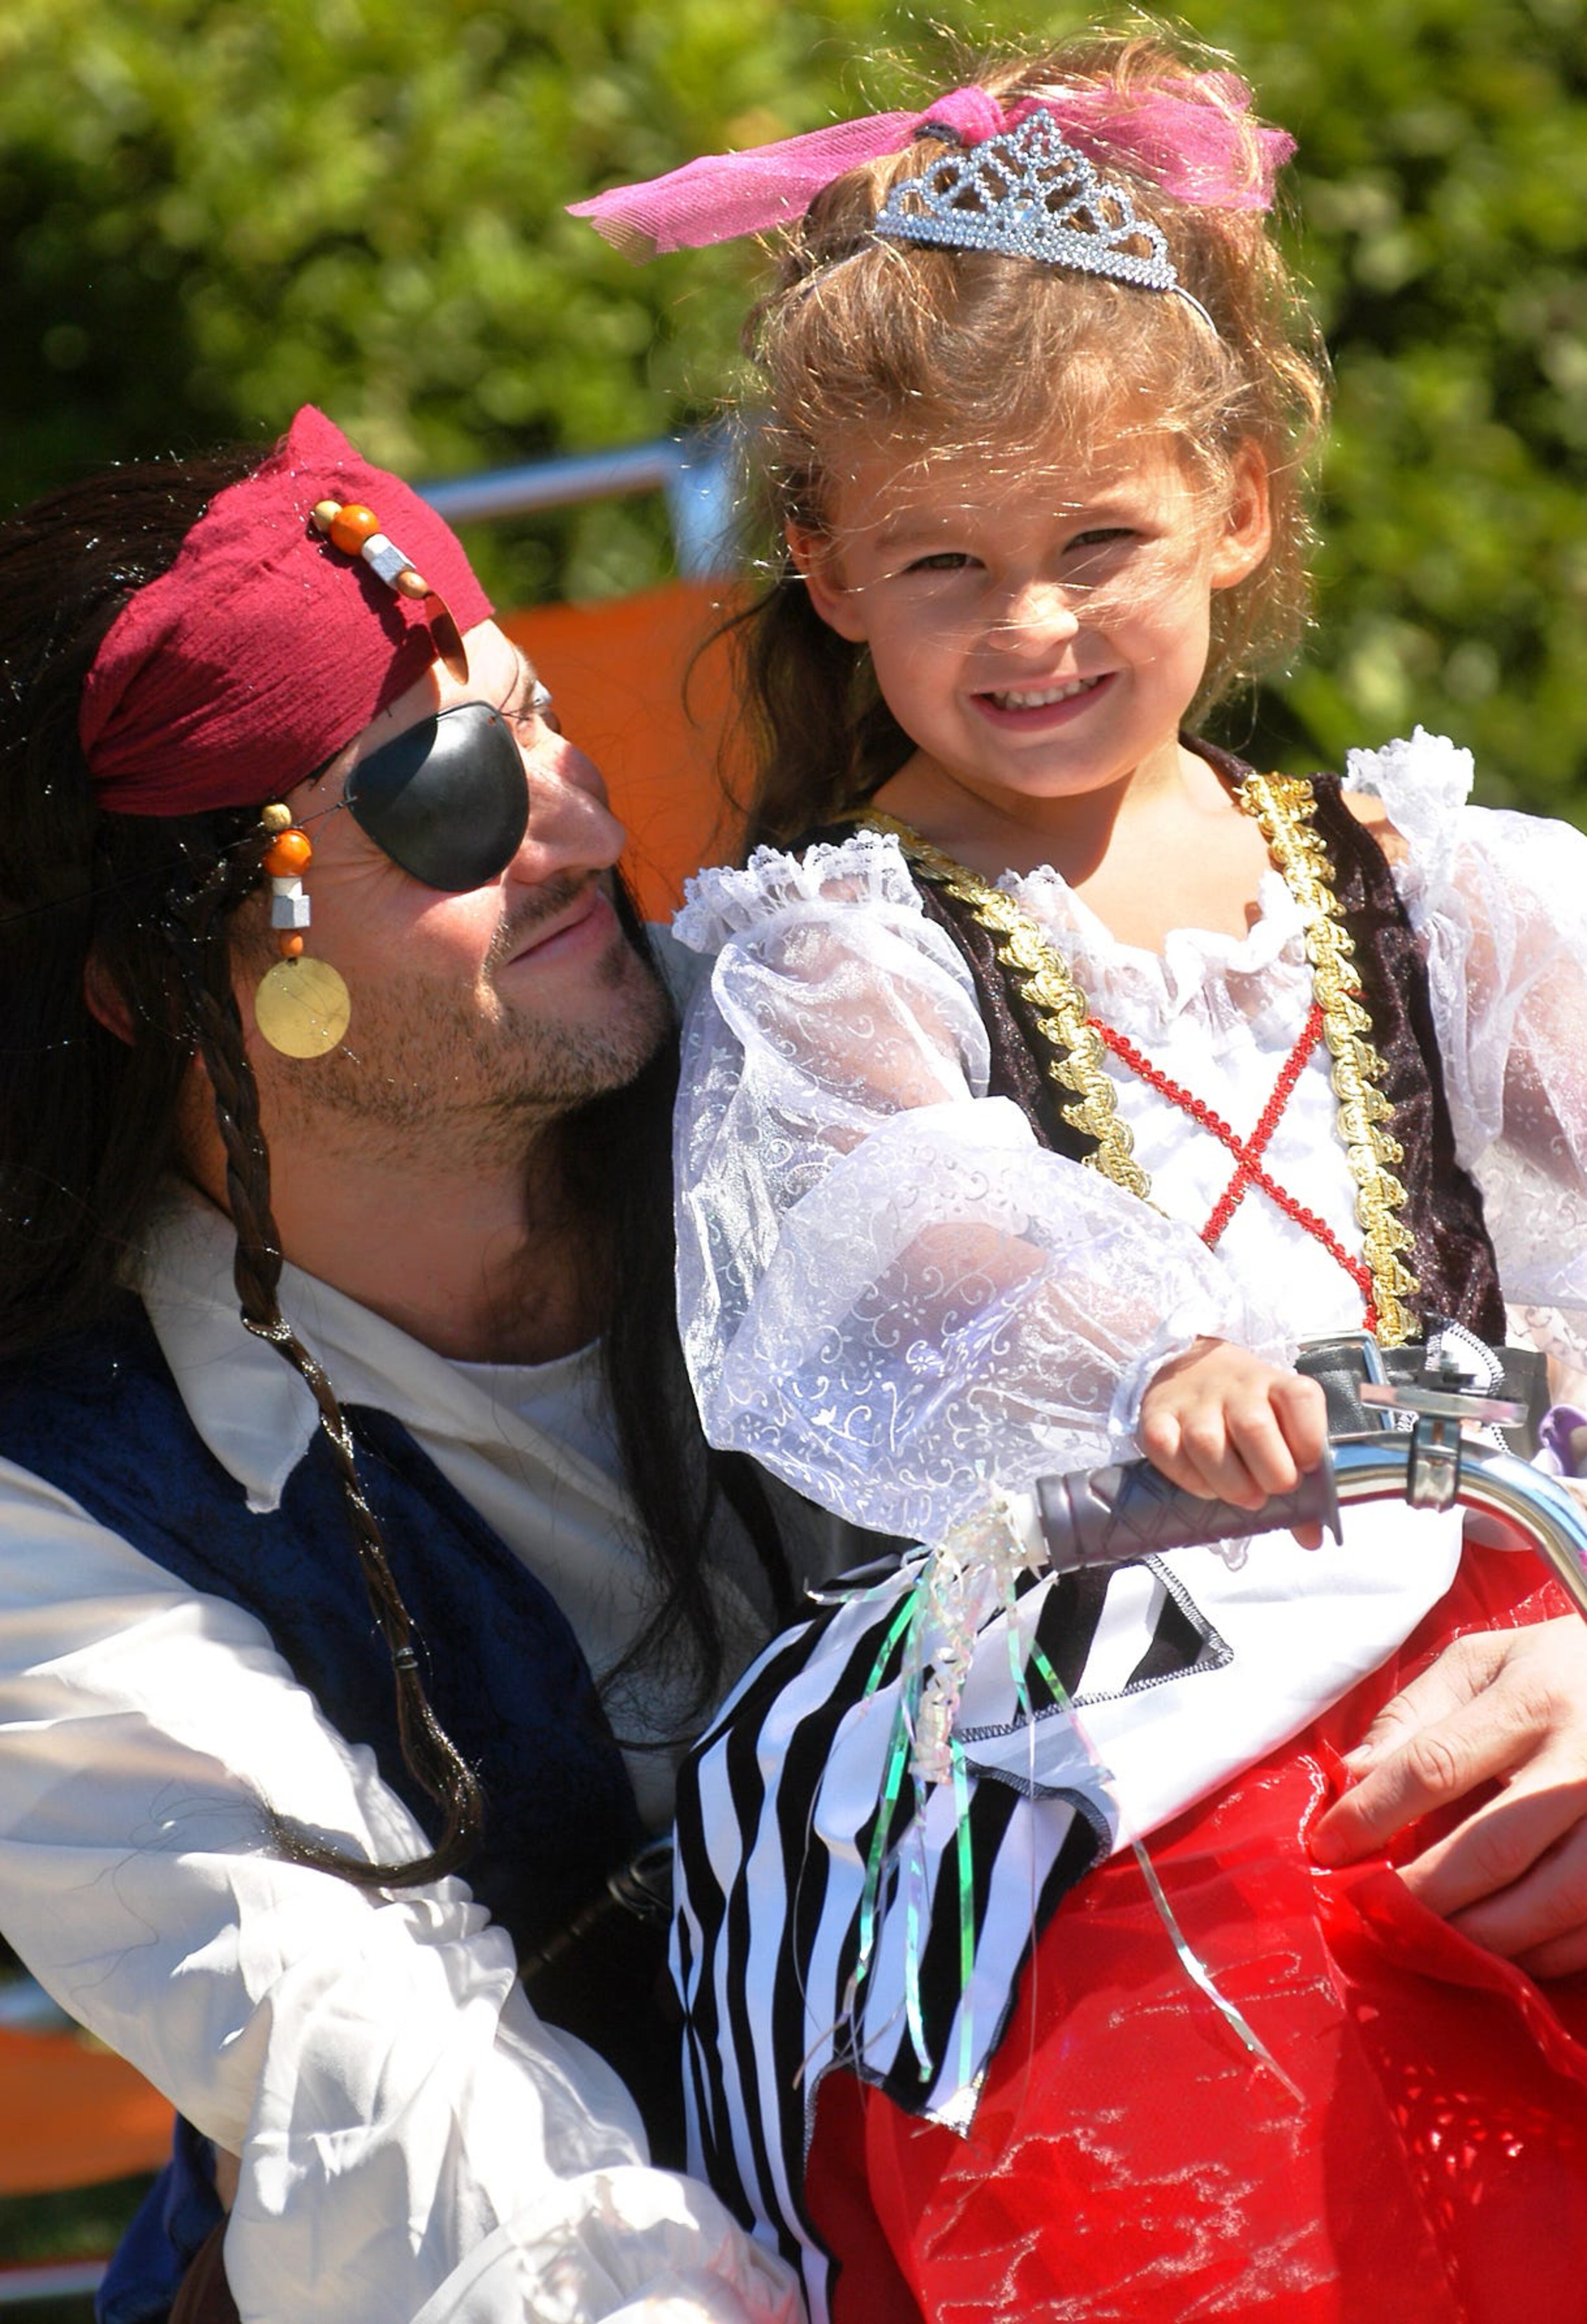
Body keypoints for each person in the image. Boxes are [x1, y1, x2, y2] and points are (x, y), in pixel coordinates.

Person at [571, 35, 1587, 2322]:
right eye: (950, 560)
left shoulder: (1435, 882)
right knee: (1236, 2045)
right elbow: (871, 1213)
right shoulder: (842, 946)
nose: (1031, 627)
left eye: (1097, 544)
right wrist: (1146, 1349)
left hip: (1502, 1578)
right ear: (827, 568)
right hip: (1117, 1662)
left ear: (1236, 504)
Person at [0, 405, 810, 2324]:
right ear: (177, 972)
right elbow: (376, 2087)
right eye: (453, 790)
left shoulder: (841, 1076)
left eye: (544, 723)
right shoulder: (59, 1508)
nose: (592, 828)